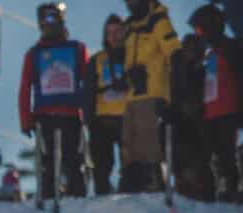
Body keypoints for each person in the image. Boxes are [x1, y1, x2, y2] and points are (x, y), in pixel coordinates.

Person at [19, 2, 89, 200]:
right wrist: (26, 119)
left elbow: (89, 82)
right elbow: (25, 87)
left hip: (71, 115)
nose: (48, 24)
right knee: (47, 164)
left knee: (74, 161)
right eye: (44, 20)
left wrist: (90, 112)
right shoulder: (34, 54)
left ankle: (78, 200)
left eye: (53, 19)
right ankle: (47, 201)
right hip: (44, 116)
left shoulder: (77, 49)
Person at [121, 0, 181, 193]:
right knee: (129, 145)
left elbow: (174, 53)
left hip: (153, 92)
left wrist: (173, 96)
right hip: (132, 95)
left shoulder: (158, 20)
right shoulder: (129, 27)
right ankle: (132, 183)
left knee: (149, 144)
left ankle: (154, 182)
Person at [191, 3, 243, 201]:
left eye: (199, 29)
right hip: (211, 111)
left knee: (227, 152)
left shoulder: (231, 47)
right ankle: (220, 188)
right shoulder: (208, 52)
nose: (198, 34)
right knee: (217, 154)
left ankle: (233, 186)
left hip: (229, 109)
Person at [83, 14, 130, 195]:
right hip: (102, 121)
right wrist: (88, 118)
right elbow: (88, 90)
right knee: (102, 165)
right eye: (109, 32)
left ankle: (131, 197)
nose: (114, 36)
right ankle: (102, 197)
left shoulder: (133, 56)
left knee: (131, 164)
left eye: (118, 31)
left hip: (128, 118)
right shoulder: (97, 60)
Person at [170, 33, 217, 200]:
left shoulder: (204, 71)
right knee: (182, 153)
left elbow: (210, 94)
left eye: (194, 49)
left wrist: (196, 106)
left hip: (200, 122)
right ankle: (185, 184)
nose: (190, 52)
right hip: (181, 122)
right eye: (187, 49)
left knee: (199, 157)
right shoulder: (175, 71)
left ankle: (199, 186)